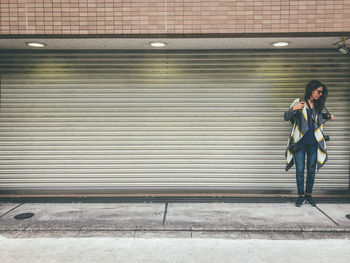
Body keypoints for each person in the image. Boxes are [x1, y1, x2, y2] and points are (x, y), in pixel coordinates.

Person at [284, 80, 335, 207]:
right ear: (311, 90)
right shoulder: (299, 102)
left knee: (311, 170)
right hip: (299, 143)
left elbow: (317, 119)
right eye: (318, 91)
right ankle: (301, 196)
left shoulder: (319, 105)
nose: (320, 94)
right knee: (300, 171)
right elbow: (286, 116)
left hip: (313, 143)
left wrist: (327, 116)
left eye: (322, 92)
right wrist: (293, 109)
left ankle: (309, 195)